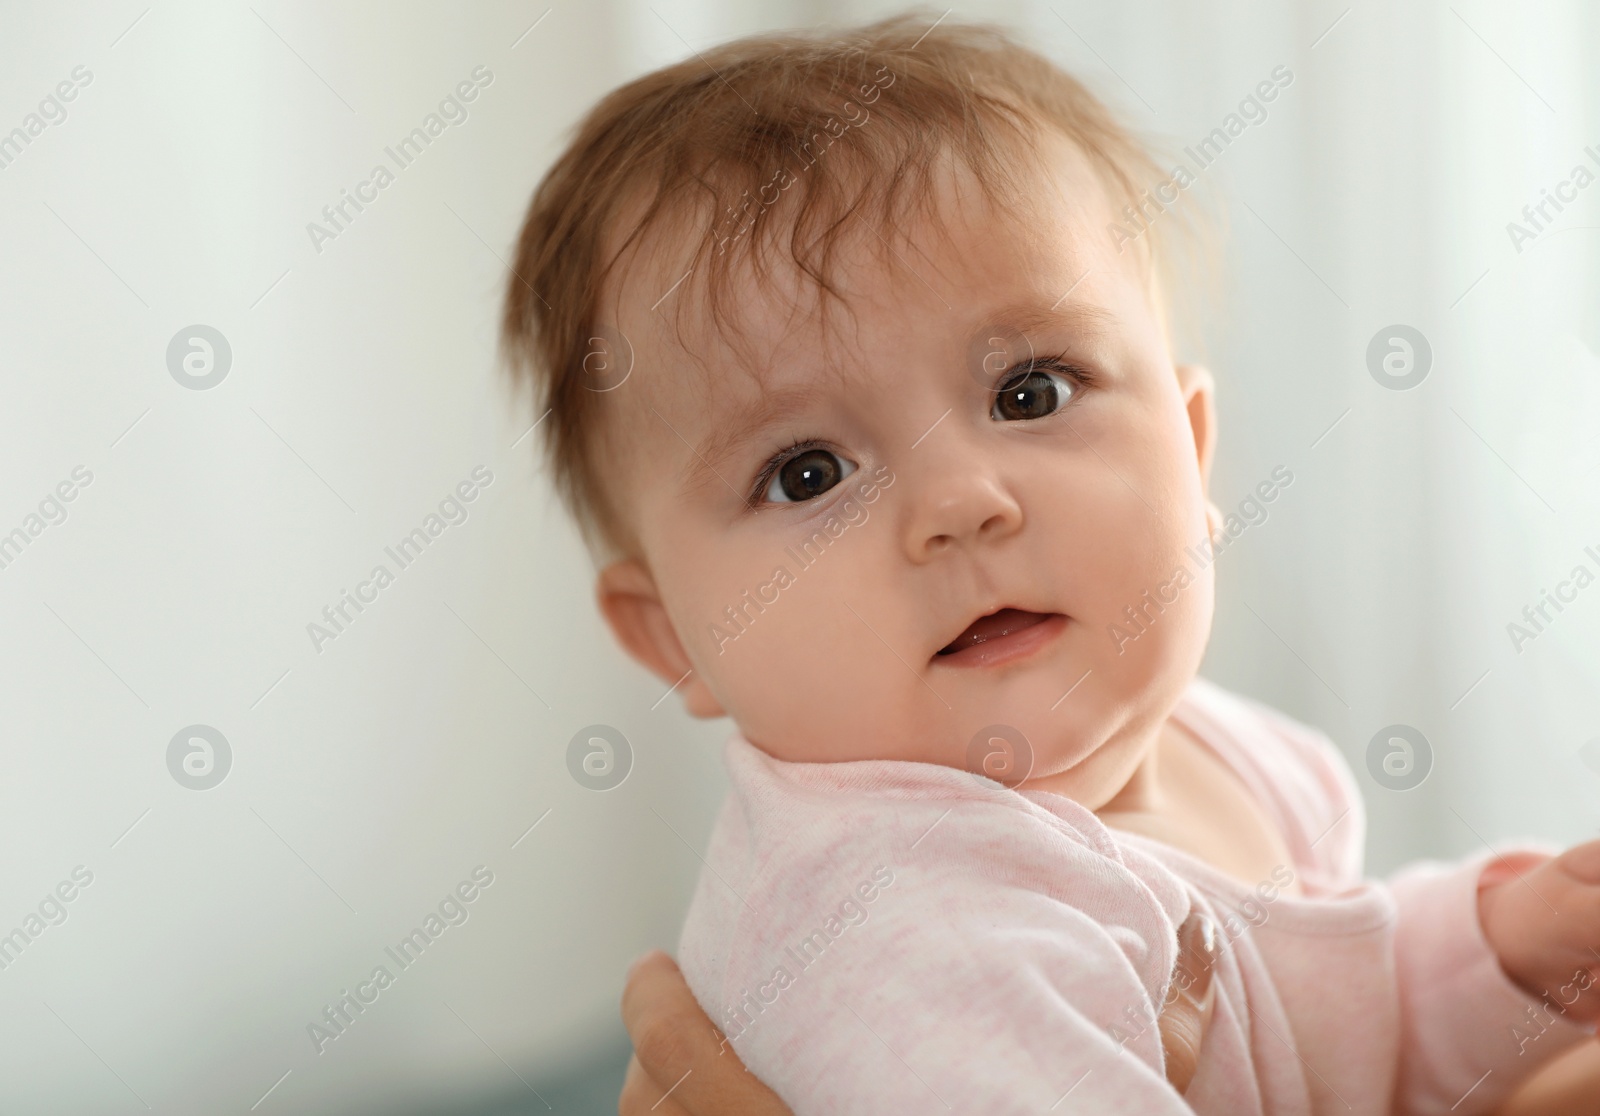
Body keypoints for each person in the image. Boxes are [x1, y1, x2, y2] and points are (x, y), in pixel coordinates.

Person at [501, 15, 1600, 1113]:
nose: (957, 505)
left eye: (1030, 393)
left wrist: (1499, 954)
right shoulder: (906, 927)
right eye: (807, 473)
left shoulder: (1229, 749)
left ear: (1193, 450)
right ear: (671, 640)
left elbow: (1346, 1033)